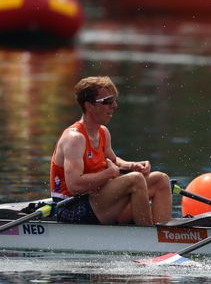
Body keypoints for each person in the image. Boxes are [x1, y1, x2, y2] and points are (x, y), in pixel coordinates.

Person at [50, 76, 172, 226]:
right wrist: (109, 173)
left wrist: (131, 165)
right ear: (89, 106)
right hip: (71, 209)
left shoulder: (103, 132)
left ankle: (164, 236)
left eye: (114, 100)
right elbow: (74, 186)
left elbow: (113, 161)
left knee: (160, 179)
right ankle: (147, 241)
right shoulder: (74, 138)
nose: (114, 106)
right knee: (135, 180)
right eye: (107, 101)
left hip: (98, 201)